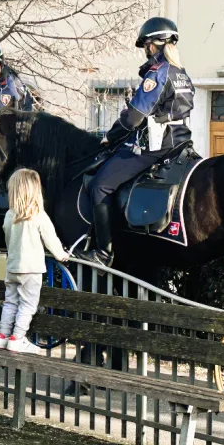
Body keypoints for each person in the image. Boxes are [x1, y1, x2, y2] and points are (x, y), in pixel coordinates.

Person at [83, 17, 195, 266]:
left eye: (146, 45)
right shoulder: (181, 73)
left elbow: (134, 117)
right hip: (181, 141)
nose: (145, 49)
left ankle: (103, 252)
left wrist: (110, 137)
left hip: (156, 144)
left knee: (101, 185)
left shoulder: (158, 72)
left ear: (152, 44)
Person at [0, 169, 69, 354]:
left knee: (10, 302)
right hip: (31, 269)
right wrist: (61, 255)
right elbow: (51, 240)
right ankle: (17, 338)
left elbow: (8, 239)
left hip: (12, 267)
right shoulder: (38, 215)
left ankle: (2, 336)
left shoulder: (9, 215)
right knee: (28, 305)